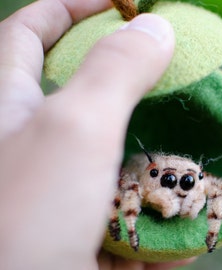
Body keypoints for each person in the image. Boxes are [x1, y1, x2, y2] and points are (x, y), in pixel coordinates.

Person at [0, 0, 196, 269]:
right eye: (171, 179)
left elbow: (220, 192)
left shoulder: (196, 183)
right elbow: (126, 189)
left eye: (186, 182)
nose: (174, 188)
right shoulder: (136, 179)